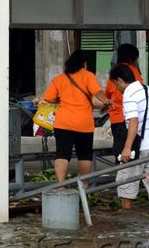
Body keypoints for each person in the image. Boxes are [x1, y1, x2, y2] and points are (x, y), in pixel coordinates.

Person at [40, 50, 112, 184]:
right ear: (84, 63)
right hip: (83, 124)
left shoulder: (59, 79)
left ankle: (60, 184)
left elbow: (49, 98)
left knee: (62, 154)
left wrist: (62, 100)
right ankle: (84, 185)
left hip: (63, 123)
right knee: (84, 155)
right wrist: (106, 101)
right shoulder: (88, 76)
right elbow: (97, 91)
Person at [108, 64, 149, 212]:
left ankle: (127, 220)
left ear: (119, 80)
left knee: (127, 183)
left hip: (138, 148)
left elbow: (133, 122)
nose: (116, 88)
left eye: (115, 84)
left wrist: (127, 147)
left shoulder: (129, 96)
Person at [104, 44, 143, 162]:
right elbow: (140, 90)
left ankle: (122, 176)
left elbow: (108, 93)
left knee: (120, 152)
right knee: (132, 151)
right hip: (132, 117)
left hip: (116, 118)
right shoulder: (134, 71)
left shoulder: (115, 72)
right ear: (133, 58)